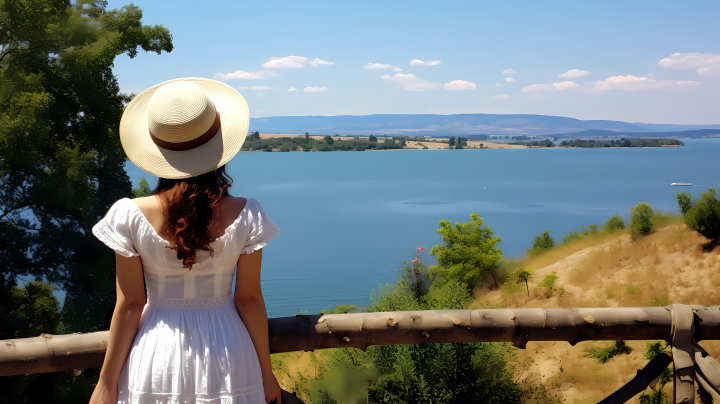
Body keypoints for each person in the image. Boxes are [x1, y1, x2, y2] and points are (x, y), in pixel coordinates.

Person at [89, 78, 283, 404]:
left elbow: (130, 304)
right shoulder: (247, 213)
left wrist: (106, 383)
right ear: (219, 144)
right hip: (230, 353)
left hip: (156, 352)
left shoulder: (128, 215)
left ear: (158, 149)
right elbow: (248, 299)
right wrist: (266, 372)